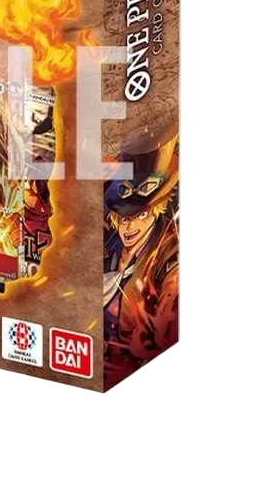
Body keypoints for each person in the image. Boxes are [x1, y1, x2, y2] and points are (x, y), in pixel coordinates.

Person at [103, 135, 179, 377]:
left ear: (156, 210)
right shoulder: (108, 243)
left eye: (141, 215)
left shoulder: (168, 255)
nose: (131, 226)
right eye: (125, 218)